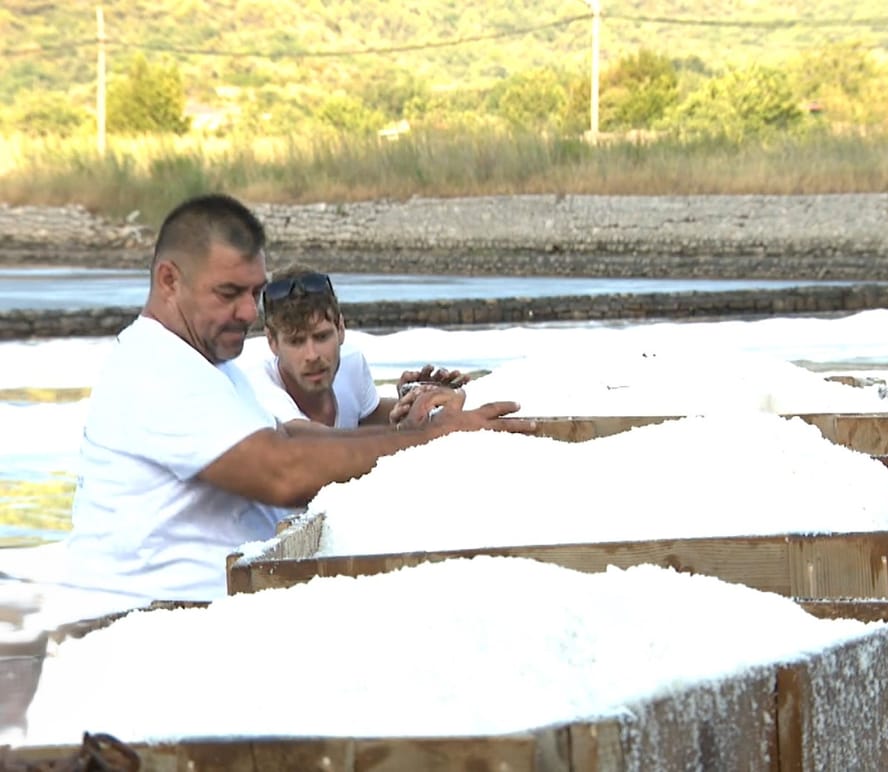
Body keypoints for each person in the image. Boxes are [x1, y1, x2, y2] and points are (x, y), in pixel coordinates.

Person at [60, 193, 533, 607]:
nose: (247, 312)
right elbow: (283, 469)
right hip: (150, 626)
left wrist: (416, 421)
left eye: (255, 293)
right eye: (229, 293)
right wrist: (433, 439)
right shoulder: (157, 368)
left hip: (222, 603)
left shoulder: (208, 366)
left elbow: (289, 438)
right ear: (169, 281)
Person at [243, 264, 467, 433]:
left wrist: (419, 401)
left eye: (322, 337)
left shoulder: (351, 363)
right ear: (272, 341)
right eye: (296, 342)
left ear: (340, 328)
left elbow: (368, 416)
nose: (312, 355)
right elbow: (313, 444)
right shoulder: (259, 389)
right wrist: (405, 433)